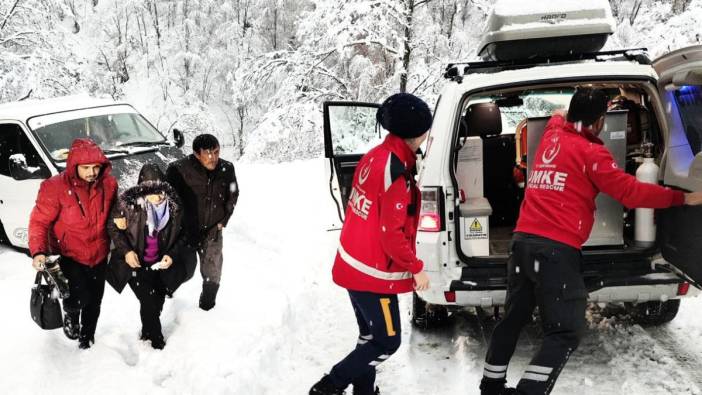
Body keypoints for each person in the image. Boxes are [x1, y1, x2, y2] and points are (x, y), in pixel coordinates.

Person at [479, 88, 702, 395]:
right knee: (565, 332)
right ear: (599, 122)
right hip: (555, 252)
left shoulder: (552, 135)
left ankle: (490, 386)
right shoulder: (592, 154)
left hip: (522, 244)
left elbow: (559, 117)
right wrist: (683, 197)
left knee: (513, 320)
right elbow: (632, 193)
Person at [310, 93, 433, 395]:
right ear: (417, 133)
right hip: (373, 275)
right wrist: (416, 268)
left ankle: (363, 392)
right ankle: (329, 387)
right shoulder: (396, 174)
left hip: (354, 263)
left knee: (369, 337)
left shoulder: (375, 156)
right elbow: (391, 234)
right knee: (387, 342)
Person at [29, 138, 118, 349]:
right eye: (86, 168)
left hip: (99, 253)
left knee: (95, 300)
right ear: (74, 166)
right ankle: (71, 315)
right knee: (76, 298)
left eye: (96, 167)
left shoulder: (109, 185)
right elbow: (39, 221)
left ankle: (87, 337)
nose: (92, 172)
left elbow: (117, 215)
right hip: (69, 254)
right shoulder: (54, 187)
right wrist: (38, 251)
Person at [106, 163, 196, 349]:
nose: (157, 197)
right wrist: (127, 251)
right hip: (136, 265)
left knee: (157, 302)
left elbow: (184, 235)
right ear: (142, 190)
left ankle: (147, 332)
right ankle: (156, 342)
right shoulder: (129, 206)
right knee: (148, 301)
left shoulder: (174, 207)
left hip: (161, 265)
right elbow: (112, 227)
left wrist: (171, 255)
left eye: (160, 190)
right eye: (151, 191)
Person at [165, 134, 239, 311]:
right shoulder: (178, 169)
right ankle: (166, 292)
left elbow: (233, 193)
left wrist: (223, 220)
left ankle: (207, 308)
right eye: (208, 153)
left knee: (212, 273)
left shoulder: (227, 168)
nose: (213, 157)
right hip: (185, 231)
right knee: (182, 269)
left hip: (213, 230)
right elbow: (167, 200)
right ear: (197, 154)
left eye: (216, 152)